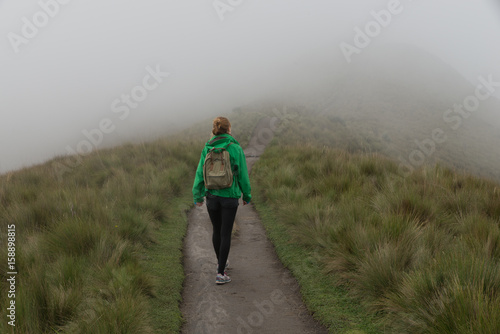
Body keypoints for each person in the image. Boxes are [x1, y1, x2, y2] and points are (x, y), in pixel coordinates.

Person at [192, 116, 251, 285]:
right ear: (229, 129)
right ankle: (220, 273)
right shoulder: (235, 148)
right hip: (230, 197)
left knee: (216, 231)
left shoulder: (208, 147)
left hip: (211, 196)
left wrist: (197, 195)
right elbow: (243, 175)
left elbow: (199, 173)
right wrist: (246, 195)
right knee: (226, 233)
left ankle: (221, 263)